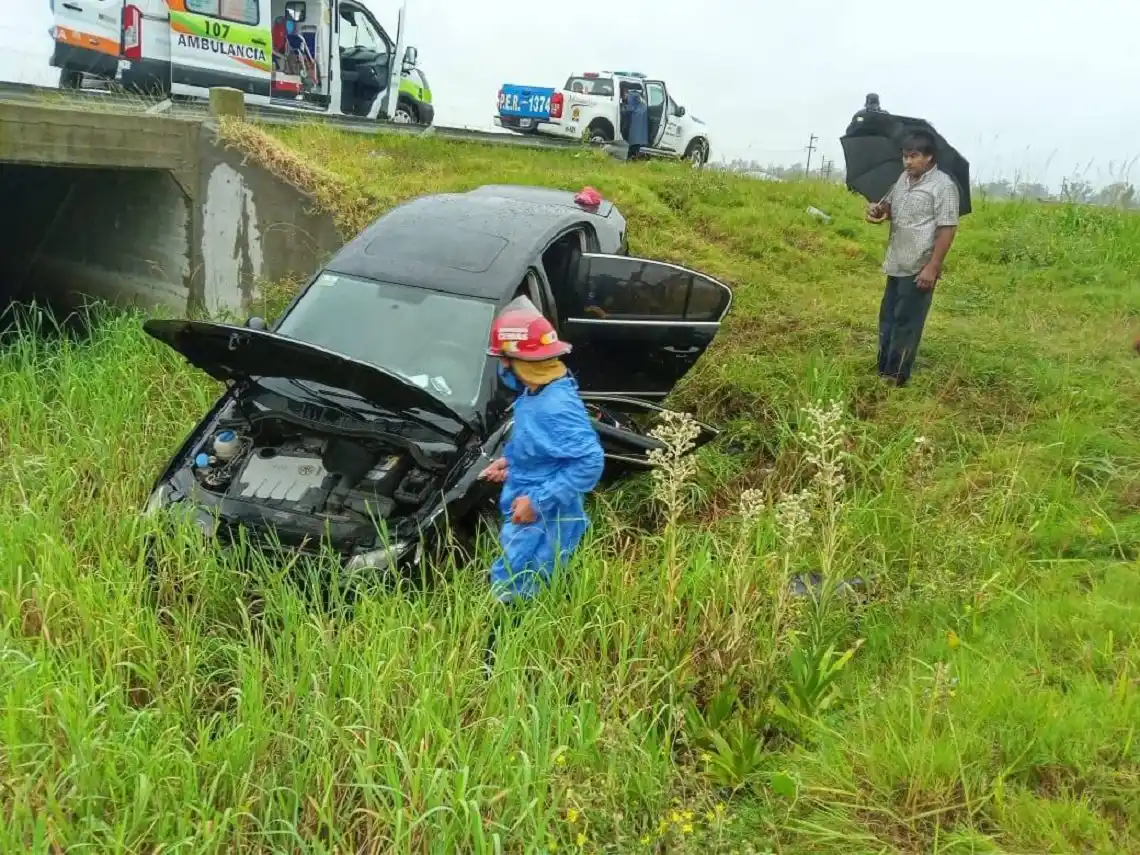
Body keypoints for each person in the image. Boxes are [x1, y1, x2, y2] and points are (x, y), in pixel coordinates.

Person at [479, 296, 605, 605]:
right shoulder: (538, 392)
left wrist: (537, 501)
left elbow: (589, 460)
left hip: (543, 514)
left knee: (520, 583)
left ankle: (505, 640)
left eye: (505, 358)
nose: (503, 365)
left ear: (522, 360)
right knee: (525, 574)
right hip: (531, 496)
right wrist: (510, 464)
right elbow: (543, 446)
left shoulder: (554, 406)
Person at [866, 130, 960, 386]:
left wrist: (932, 267)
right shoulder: (902, 180)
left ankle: (896, 376)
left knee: (907, 322)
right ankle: (883, 367)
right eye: (905, 156)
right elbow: (894, 211)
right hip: (896, 260)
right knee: (888, 318)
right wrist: (879, 211)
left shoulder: (943, 186)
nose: (908, 162)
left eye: (914, 156)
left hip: (919, 266)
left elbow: (947, 228)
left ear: (929, 157)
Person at [621, 88, 649, 160]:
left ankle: (631, 157)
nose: (626, 96)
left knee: (633, 145)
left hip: (633, 134)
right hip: (635, 135)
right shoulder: (641, 107)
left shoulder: (633, 109)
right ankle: (632, 157)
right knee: (634, 145)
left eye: (627, 95)